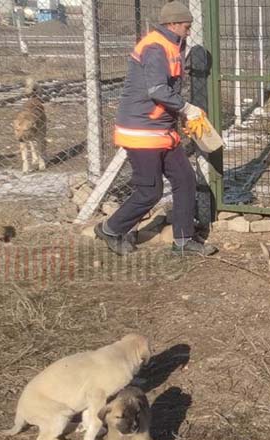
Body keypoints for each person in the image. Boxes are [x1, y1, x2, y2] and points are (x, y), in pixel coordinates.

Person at [95, 1, 217, 256]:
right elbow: (157, 90)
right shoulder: (155, 47)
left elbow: (167, 89)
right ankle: (111, 229)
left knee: (185, 179)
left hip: (161, 130)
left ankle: (183, 240)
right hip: (142, 132)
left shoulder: (172, 44)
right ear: (172, 24)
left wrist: (179, 115)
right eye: (186, 26)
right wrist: (186, 108)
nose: (189, 31)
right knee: (150, 191)